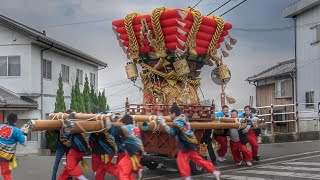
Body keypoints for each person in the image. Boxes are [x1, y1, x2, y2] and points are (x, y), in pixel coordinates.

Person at [159, 103, 221, 180]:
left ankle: (187, 177)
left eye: (170, 114)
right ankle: (214, 171)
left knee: (181, 160)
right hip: (192, 141)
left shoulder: (177, 123)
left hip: (186, 144)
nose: (169, 116)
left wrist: (163, 124)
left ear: (174, 113)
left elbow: (172, 133)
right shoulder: (184, 118)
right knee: (198, 160)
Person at [108, 114, 144, 180]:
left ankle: (139, 170)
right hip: (136, 153)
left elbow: (112, 130)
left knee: (123, 173)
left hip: (132, 154)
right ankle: (139, 170)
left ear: (124, 122)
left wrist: (113, 120)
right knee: (125, 169)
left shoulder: (125, 128)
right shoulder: (136, 128)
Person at [58, 112, 90, 180]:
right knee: (67, 170)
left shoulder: (76, 126)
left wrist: (69, 119)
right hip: (80, 152)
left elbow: (65, 131)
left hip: (75, 150)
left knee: (70, 167)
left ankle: (83, 178)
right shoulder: (87, 125)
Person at [0, 113, 26, 180]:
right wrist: (24, 134)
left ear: (7, 119)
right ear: (16, 120)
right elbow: (23, 142)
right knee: (6, 174)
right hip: (6, 156)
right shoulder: (17, 131)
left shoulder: (0, 126)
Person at [51, 110, 73, 180]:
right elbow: (55, 130)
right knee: (56, 162)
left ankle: (69, 177)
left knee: (69, 163)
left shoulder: (73, 124)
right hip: (61, 146)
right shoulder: (61, 123)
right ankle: (53, 178)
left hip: (69, 146)